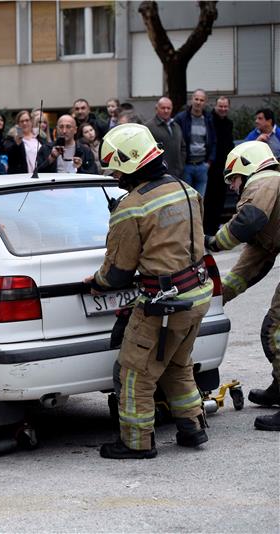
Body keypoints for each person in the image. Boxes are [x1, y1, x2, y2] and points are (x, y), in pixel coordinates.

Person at [87, 123, 212, 459]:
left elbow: (117, 273)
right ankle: (193, 427)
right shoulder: (185, 189)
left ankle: (136, 442)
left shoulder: (132, 207)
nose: (114, 175)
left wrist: (95, 284)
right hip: (197, 296)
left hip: (163, 305)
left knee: (134, 373)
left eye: (115, 167)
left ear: (130, 161)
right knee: (176, 364)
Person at [204, 141, 280, 431]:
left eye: (233, 179)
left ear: (249, 166)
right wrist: (212, 298)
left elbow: (247, 221)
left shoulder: (266, 181)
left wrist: (213, 242)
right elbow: (247, 268)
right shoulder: (272, 203)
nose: (234, 188)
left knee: (275, 329)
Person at [173, 89, 217, 196]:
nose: (198, 102)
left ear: (205, 102)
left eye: (201, 100)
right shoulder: (181, 118)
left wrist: (209, 162)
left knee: (200, 200)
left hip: (202, 166)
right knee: (186, 199)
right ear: (191, 100)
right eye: (196, 99)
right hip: (186, 166)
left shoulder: (208, 119)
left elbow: (214, 141)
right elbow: (175, 140)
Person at [204, 96, 235, 234]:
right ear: (215, 106)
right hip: (211, 167)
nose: (223, 109)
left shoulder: (229, 123)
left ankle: (215, 227)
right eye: (220, 106)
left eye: (225, 106)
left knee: (220, 199)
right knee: (209, 198)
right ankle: (207, 229)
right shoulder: (209, 121)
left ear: (228, 107)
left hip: (224, 167)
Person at [146, 97, 186, 181]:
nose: (166, 111)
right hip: (158, 175)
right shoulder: (148, 127)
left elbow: (183, 147)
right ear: (157, 109)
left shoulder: (176, 126)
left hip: (177, 173)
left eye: (168, 108)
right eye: (163, 108)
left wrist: (180, 165)